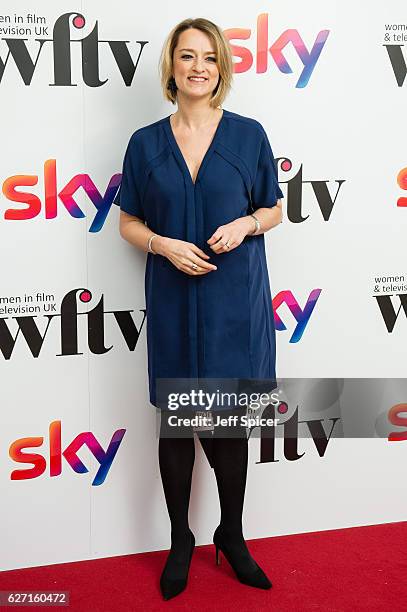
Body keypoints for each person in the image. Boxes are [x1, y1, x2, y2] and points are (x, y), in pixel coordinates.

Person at [115, 17, 284, 601]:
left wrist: (245, 224)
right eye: (187, 56)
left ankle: (231, 536)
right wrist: (162, 244)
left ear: (221, 69)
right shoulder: (144, 143)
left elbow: (274, 210)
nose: (198, 67)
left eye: (209, 58)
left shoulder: (248, 135)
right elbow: (129, 223)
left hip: (233, 302)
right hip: (172, 301)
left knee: (228, 427)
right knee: (177, 427)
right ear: (172, 66)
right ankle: (180, 540)